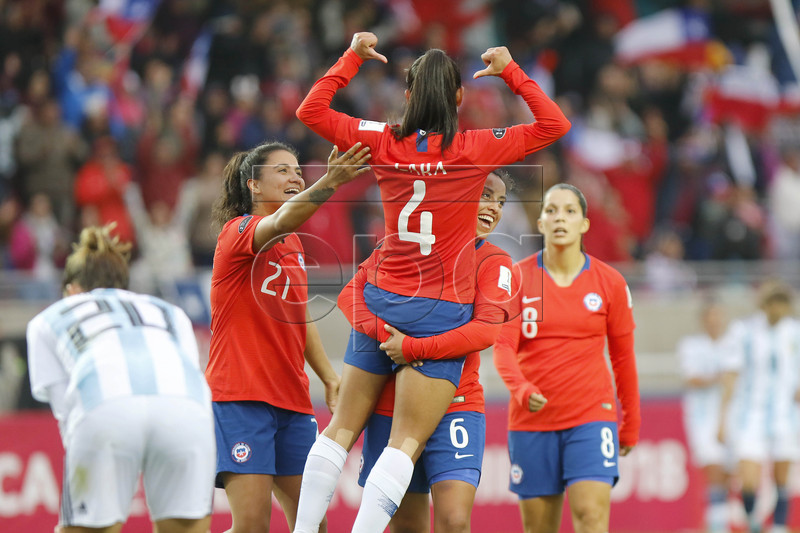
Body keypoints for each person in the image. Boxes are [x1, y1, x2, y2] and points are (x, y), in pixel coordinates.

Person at [293, 31, 569, 533]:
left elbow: (310, 111)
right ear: (460, 98)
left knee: (338, 430)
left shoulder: (382, 139)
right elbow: (555, 123)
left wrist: (352, 57)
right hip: (437, 308)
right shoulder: (474, 149)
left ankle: (302, 529)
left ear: (407, 96)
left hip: (383, 296)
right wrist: (509, 69)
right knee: (405, 444)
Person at [205, 140, 371, 533]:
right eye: (282, 170)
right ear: (253, 185)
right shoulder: (238, 233)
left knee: (312, 524)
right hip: (241, 397)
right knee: (251, 526)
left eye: (298, 170)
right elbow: (278, 221)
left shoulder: (293, 244)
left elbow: (298, 316)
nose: (295, 176)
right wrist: (329, 183)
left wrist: (329, 376)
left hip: (292, 403)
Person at [342, 171, 512, 533]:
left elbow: (485, 331)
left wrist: (413, 347)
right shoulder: (406, 246)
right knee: (408, 528)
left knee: (453, 520)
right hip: (393, 405)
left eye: (500, 202)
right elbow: (349, 296)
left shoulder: (496, 262)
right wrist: (389, 338)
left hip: (457, 401)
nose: (493, 208)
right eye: (485, 195)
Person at [26, 224, 215, 533]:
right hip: (187, 410)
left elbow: (67, 412)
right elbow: (192, 373)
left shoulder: (48, 319)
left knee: (89, 527)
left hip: (105, 407)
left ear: (72, 289)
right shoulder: (169, 312)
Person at [493, 183, 640, 533]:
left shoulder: (611, 283)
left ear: (584, 224)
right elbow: (502, 349)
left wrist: (631, 423)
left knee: (591, 517)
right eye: (552, 210)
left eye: (570, 211)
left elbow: (623, 359)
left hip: (591, 418)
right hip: (532, 423)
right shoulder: (517, 278)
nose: (560, 217)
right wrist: (522, 390)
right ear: (540, 222)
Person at [718, 280, 800, 533]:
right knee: (749, 479)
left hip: (786, 414)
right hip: (749, 415)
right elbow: (731, 374)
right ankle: (753, 521)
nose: (779, 309)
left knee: (781, 477)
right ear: (765, 305)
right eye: (775, 303)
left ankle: (778, 526)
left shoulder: (794, 331)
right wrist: (721, 418)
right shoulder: (744, 331)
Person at [678, 301, 732, 533]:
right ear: (703, 320)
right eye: (710, 317)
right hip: (702, 418)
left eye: (718, 316)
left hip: (730, 415)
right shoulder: (691, 346)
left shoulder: (733, 345)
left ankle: (717, 519)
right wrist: (720, 377)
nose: (714, 321)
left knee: (727, 473)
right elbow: (692, 378)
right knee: (714, 469)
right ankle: (717, 525)